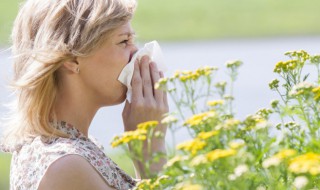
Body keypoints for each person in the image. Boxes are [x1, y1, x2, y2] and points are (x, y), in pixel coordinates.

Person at [0, 0, 168, 189]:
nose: (136, 52)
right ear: (72, 58)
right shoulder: (66, 166)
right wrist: (150, 149)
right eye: (124, 41)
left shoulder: (63, 149)